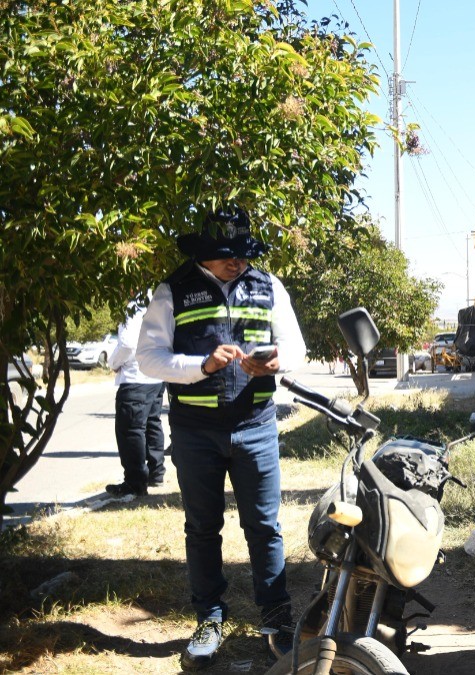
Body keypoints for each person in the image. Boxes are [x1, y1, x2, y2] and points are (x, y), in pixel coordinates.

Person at [137, 206, 306, 671]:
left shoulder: (268, 285)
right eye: (226, 254)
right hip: (195, 432)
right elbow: (148, 358)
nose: (237, 262)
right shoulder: (173, 291)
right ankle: (209, 618)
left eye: (243, 253)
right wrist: (203, 365)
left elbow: (296, 346)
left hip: (256, 425)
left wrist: (278, 362)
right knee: (202, 528)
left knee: (265, 527)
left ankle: (276, 618)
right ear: (202, 253)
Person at [105, 302, 167, 498]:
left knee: (131, 430)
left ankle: (135, 483)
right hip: (156, 375)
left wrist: (113, 363)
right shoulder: (157, 302)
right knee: (152, 423)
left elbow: (127, 344)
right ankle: (156, 473)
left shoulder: (134, 307)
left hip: (135, 378)